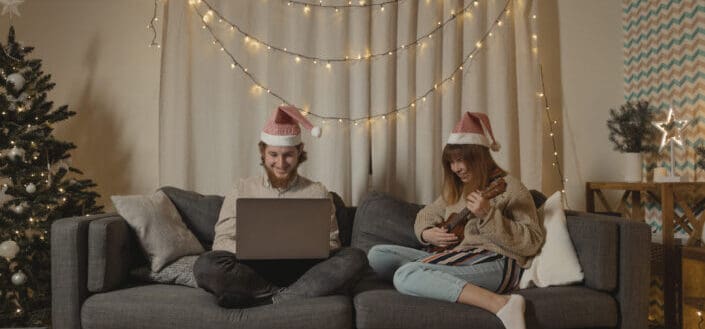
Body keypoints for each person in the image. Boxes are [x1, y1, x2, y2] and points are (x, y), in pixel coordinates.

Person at [367, 112, 545, 329]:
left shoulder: (510, 187)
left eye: (460, 160)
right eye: (451, 162)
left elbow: (533, 240)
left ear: (478, 156)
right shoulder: (458, 189)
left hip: (498, 261)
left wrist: (488, 214)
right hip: (460, 255)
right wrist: (426, 233)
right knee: (378, 255)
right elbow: (426, 214)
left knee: (405, 275)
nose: (455, 168)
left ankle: (502, 304)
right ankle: (431, 277)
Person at [194, 105, 368, 308]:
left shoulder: (318, 192)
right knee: (205, 265)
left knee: (355, 258)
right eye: (273, 155)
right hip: (252, 269)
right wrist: (255, 250)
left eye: (288, 155)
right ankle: (289, 295)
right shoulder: (242, 189)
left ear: (299, 152)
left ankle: (269, 299)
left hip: (305, 270)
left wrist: (304, 249)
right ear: (263, 153)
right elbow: (222, 240)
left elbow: (332, 242)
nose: (281, 163)